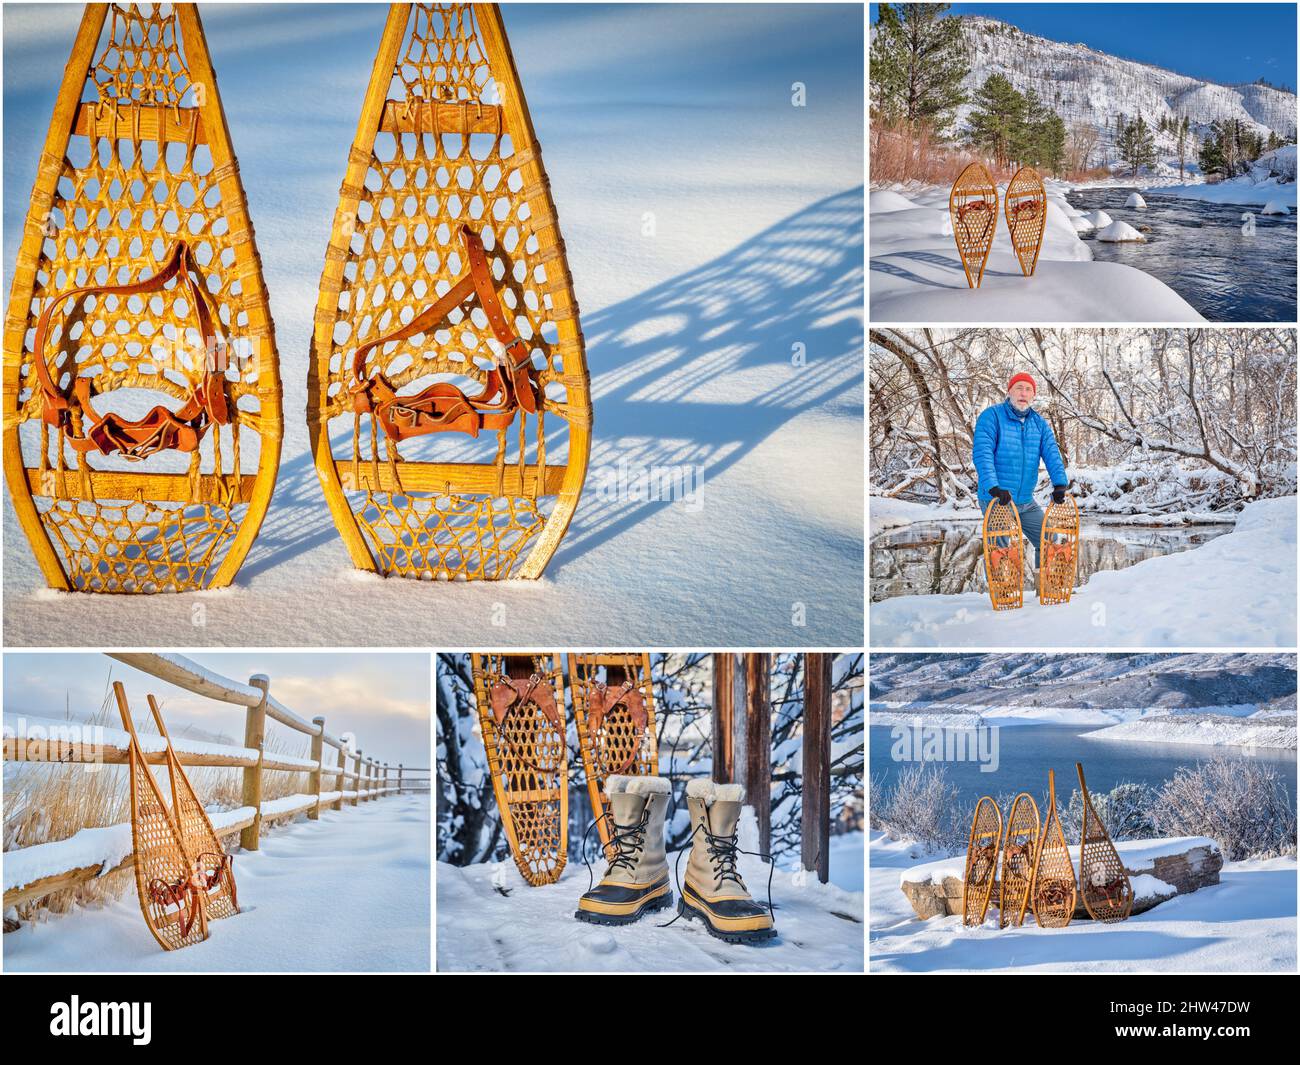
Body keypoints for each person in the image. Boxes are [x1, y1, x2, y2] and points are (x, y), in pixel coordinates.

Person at [972, 372, 1069, 573]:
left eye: (1028, 389)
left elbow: (1051, 453)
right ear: (1009, 391)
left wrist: (1060, 483)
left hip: (1025, 500)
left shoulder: (1039, 423)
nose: (1023, 393)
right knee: (1001, 549)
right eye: (1019, 388)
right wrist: (993, 487)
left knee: (1048, 540)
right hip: (997, 499)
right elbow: (983, 453)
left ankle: (1043, 585)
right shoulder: (992, 416)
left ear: (1033, 395)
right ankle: (1002, 593)